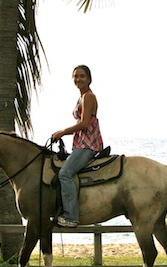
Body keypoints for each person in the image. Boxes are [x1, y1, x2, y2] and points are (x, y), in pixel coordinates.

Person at [52, 65, 103, 227]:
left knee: (65, 174)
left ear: (89, 79)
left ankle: (71, 216)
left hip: (88, 144)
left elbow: (85, 123)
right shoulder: (81, 97)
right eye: (75, 76)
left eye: (82, 76)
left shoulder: (88, 97)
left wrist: (62, 132)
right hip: (81, 142)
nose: (78, 79)